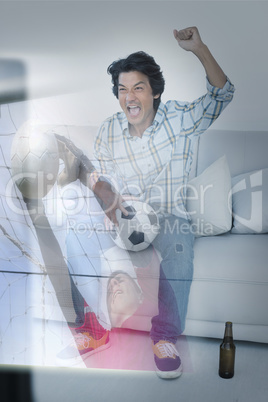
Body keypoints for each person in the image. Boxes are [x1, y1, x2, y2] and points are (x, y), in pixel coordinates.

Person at [83, 26, 235, 378]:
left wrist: (199, 49)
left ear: (154, 92)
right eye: (123, 90)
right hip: (126, 218)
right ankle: (93, 327)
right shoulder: (108, 130)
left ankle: (164, 337)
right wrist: (106, 197)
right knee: (76, 234)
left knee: (180, 245)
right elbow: (101, 179)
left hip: (168, 217)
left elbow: (223, 94)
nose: (129, 97)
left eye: (138, 87)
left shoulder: (180, 119)